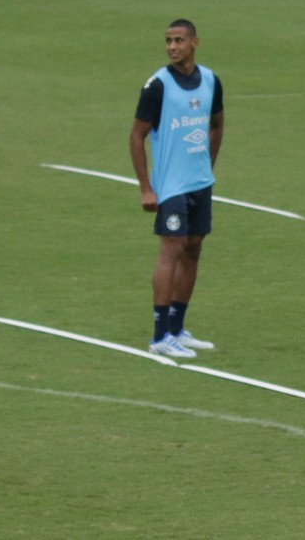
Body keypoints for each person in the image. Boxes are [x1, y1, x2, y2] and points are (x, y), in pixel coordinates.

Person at [129, 19, 224, 358]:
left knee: (194, 249)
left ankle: (177, 328)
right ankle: (159, 337)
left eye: (179, 40)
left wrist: (206, 165)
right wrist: (146, 187)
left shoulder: (211, 80)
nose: (171, 47)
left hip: (200, 183)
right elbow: (136, 135)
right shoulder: (158, 85)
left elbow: (216, 124)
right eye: (168, 40)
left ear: (195, 42)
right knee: (171, 249)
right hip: (170, 186)